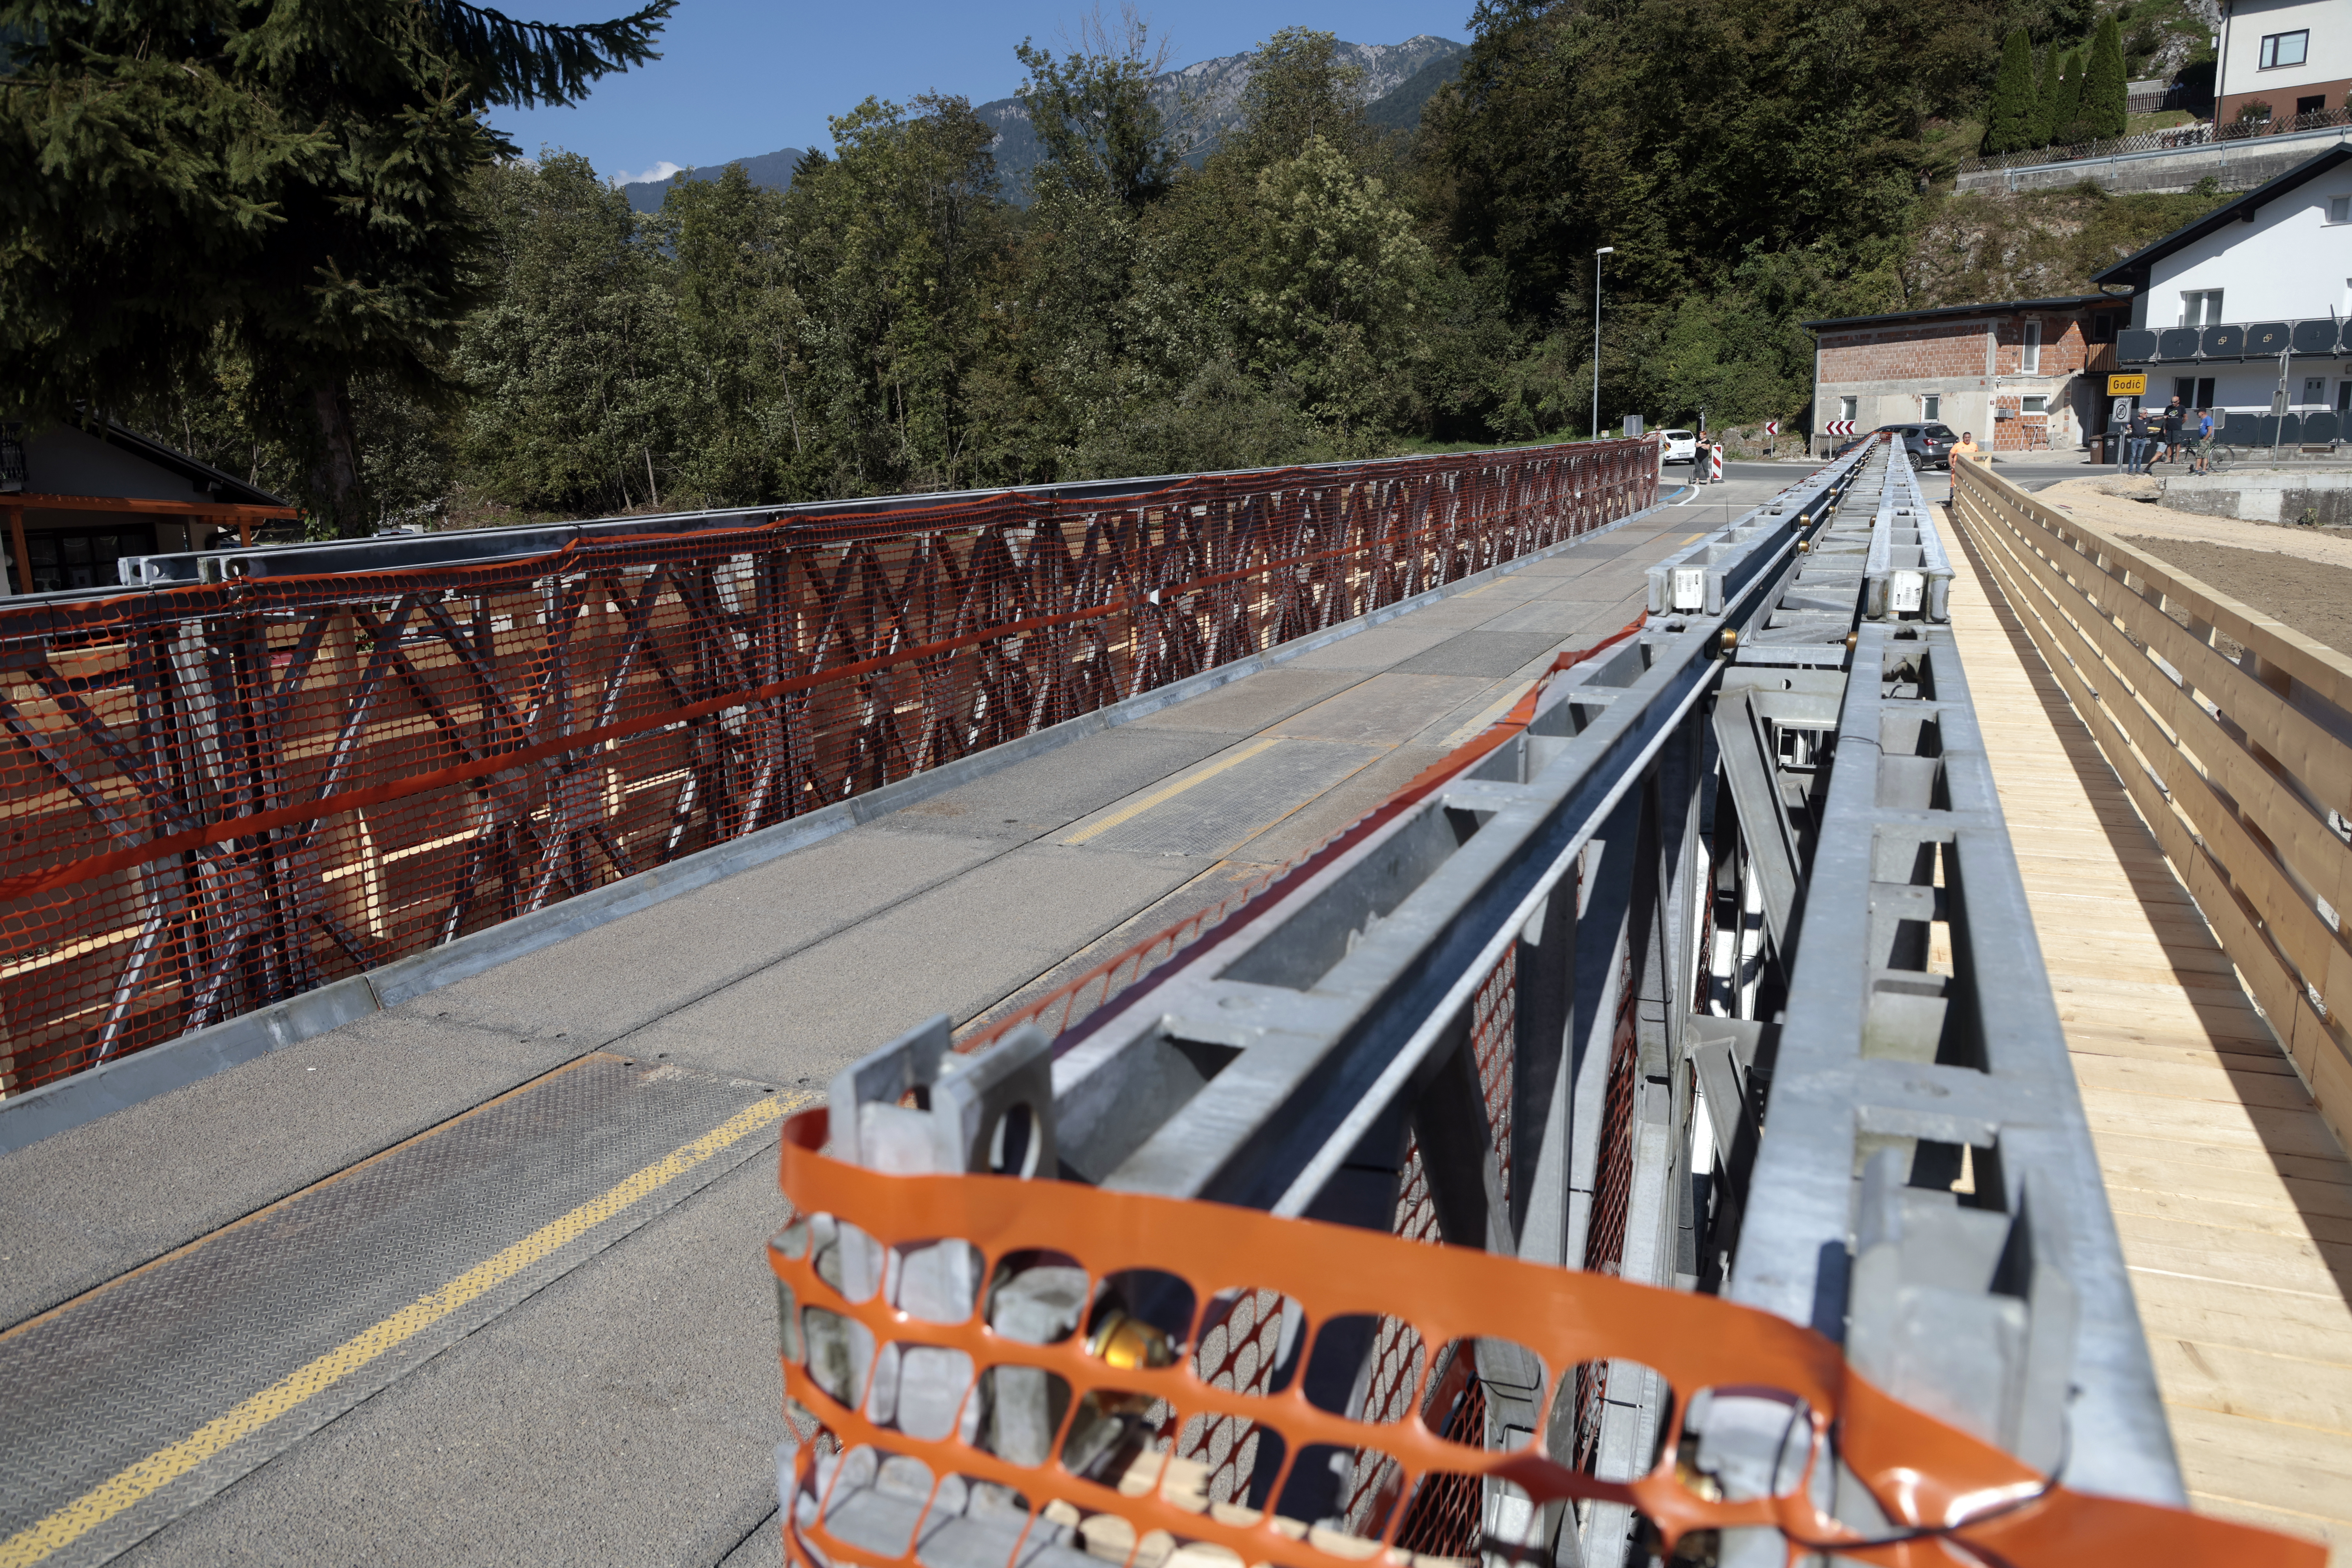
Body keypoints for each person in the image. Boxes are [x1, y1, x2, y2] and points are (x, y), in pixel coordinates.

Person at [2125, 406, 2154, 474]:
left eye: (2147, 413)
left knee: (2140, 456)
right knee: (2133, 456)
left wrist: (2163, 417)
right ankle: (2130, 471)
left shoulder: (2147, 419)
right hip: (2135, 439)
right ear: (2141, 414)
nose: (2147, 414)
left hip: (2143, 439)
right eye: (2145, 413)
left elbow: (2155, 418)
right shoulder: (2134, 419)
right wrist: (2127, 426)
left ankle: (2138, 471)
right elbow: (2128, 424)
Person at [2160, 396, 2184, 463]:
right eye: (2172, 402)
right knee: (2169, 444)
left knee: (2177, 443)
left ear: (2178, 401)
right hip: (2169, 428)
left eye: (2175, 402)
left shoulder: (2181, 408)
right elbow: (2165, 419)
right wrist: (2165, 428)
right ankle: (2168, 458)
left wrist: (2180, 424)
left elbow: (2186, 418)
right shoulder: (2168, 408)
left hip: (2177, 428)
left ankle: (2177, 459)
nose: (2173, 403)